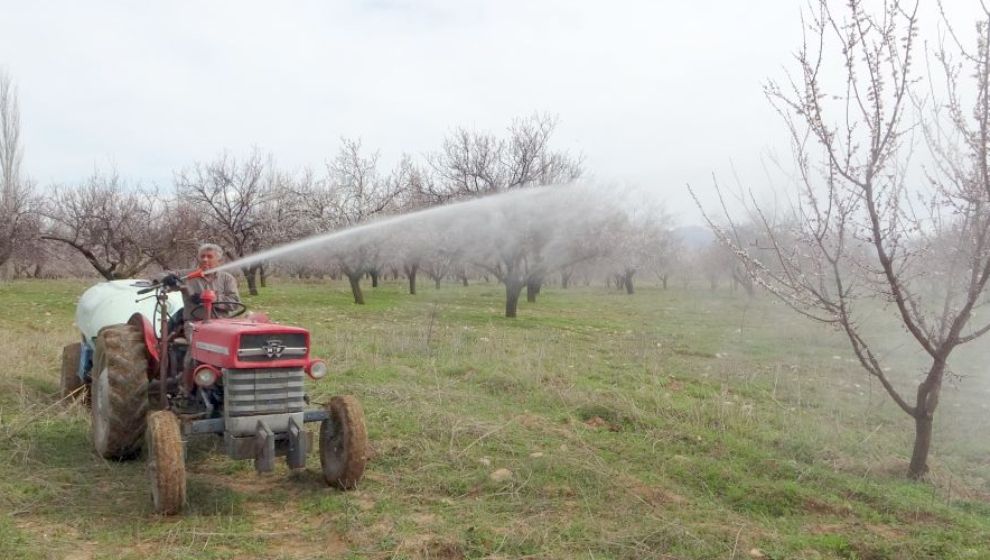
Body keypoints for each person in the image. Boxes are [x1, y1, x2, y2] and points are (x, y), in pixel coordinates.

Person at [162, 243, 242, 322]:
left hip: (221, 324)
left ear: (219, 261)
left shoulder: (227, 278)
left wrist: (211, 298)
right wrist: (165, 278)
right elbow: (160, 275)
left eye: (209, 256)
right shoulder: (186, 275)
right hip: (193, 325)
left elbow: (235, 304)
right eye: (202, 256)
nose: (205, 259)